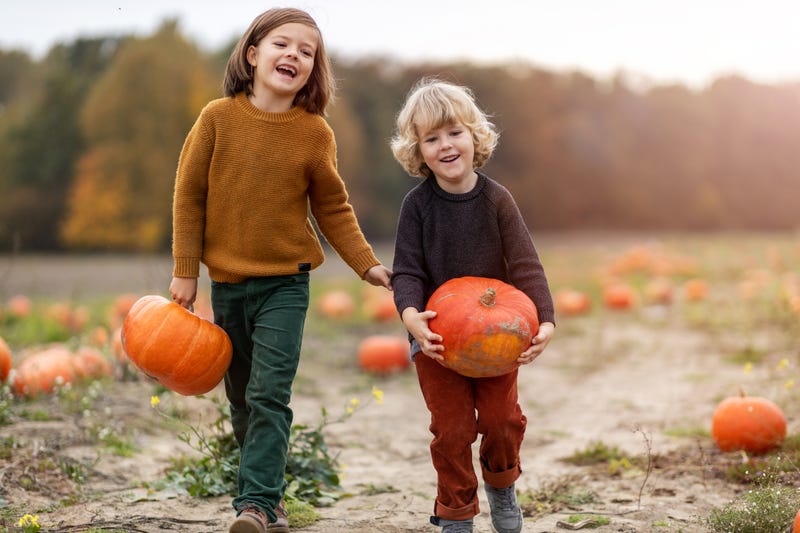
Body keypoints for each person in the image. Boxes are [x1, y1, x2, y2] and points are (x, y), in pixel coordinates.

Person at [169, 8, 392, 533]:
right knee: (243, 399)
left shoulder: (314, 133)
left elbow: (333, 208)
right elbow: (188, 195)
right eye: (281, 44)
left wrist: (367, 266)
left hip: (285, 285)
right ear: (252, 54)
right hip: (226, 285)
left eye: (306, 51)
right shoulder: (216, 118)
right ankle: (268, 497)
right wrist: (185, 270)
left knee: (270, 394)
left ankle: (256, 505)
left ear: (314, 71)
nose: (293, 54)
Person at [389, 78, 556, 533]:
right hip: (438, 343)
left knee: (502, 421)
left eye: (454, 132)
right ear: (417, 150)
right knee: (453, 430)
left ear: (474, 135)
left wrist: (546, 321)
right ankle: (456, 511)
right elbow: (406, 272)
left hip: (497, 340)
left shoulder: (498, 200)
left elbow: (526, 266)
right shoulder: (417, 206)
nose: (446, 145)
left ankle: (502, 486)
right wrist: (410, 318)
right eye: (432, 137)